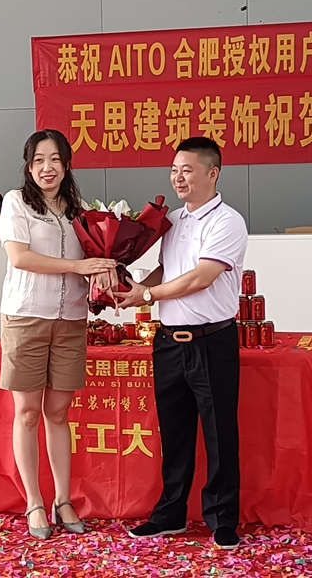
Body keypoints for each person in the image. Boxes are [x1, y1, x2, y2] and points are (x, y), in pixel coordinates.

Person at [115, 136, 248, 550]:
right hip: (169, 342)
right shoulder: (173, 220)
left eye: (187, 170)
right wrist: (134, 288)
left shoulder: (228, 221)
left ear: (213, 173)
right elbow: (167, 270)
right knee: (174, 433)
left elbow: (200, 277)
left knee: (219, 433)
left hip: (212, 341)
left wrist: (148, 295)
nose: (178, 178)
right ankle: (170, 513)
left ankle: (222, 519)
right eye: (174, 170)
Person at [0, 129, 116, 539]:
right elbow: (20, 257)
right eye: (38, 161)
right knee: (27, 412)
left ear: (66, 164)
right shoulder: (16, 202)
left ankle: (63, 500)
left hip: (70, 320)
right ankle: (34, 501)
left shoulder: (79, 211)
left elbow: (93, 260)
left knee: (59, 413)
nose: (46, 168)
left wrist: (105, 274)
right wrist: (79, 267)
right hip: (26, 317)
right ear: (28, 166)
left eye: (54, 160)